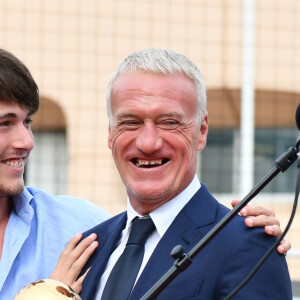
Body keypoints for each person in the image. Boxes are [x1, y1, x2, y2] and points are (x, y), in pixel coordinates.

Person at [0, 48, 290, 299]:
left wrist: (252, 240)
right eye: (130, 122)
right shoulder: (89, 245)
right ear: (110, 134)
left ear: (201, 131)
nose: (148, 142)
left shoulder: (247, 243)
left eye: (168, 122)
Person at [0, 49, 111, 300]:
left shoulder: (83, 228)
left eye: (27, 122)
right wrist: (50, 294)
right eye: (5, 123)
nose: (27, 142)